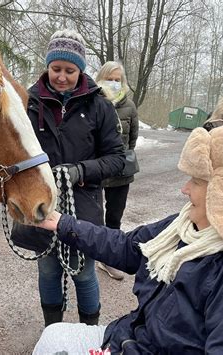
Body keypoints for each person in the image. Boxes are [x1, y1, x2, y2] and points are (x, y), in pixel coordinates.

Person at [33, 123, 223, 354]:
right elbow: (128, 247)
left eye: (196, 180)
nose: (184, 189)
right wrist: (62, 223)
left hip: (137, 345)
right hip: (132, 338)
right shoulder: (187, 226)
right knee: (53, 336)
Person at [26, 29, 125, 327]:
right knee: (47, 270)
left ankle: (89, 332)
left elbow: (117, 159)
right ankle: (52, 329)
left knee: (83, 271)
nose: (62, 77)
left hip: (83, 204)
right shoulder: (30, 103)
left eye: (70, 70)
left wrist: (81, 171)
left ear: (80, 69)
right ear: (47, 66)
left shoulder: (100, 106)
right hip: (43, 203)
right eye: (56, 69)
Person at [95, 61, 139, 281]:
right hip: (97, 170)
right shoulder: (92, 102)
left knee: (114, 217)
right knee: (92, 216)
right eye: (109, 79)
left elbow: (132, 140)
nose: (113, 83)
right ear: (101, 79)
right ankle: (88, 251)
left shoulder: (130, 106)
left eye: (117, 80)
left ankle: (108, 259)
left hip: (121, 173)